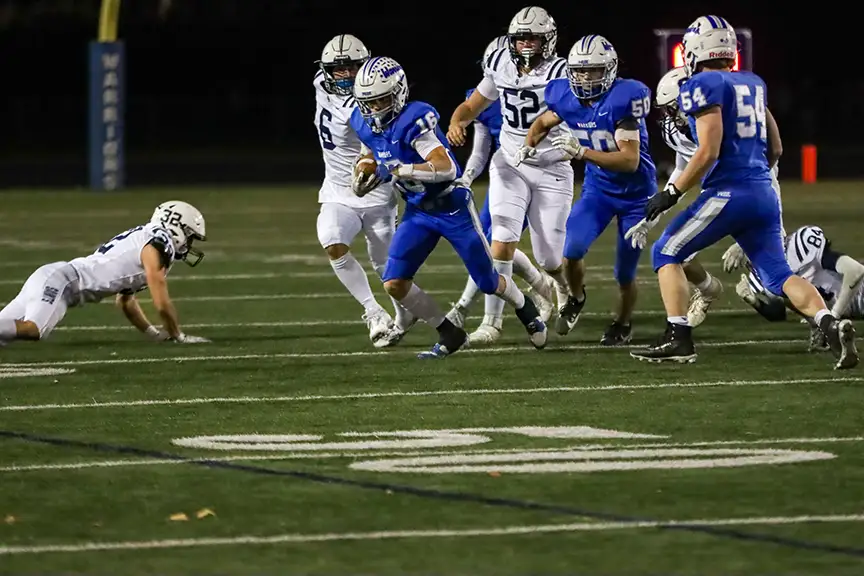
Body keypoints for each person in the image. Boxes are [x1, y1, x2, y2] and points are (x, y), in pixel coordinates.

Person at [627, 16, 857, 369]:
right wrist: (756, 176)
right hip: (763, 191)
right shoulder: (752, 82)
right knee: (778, 276)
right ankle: (829, 323)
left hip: (729, 191)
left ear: (695, 50)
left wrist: (671, 192)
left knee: (666, 251)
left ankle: (678, 339)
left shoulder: (701, 83)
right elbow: (776, 147)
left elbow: (708, 151)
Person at [349, 56, 548, 358]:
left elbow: (446, 168)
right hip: (418, 211)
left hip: (451, 206)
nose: (375, 109)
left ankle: (525, 307)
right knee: (394, 283)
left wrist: (401, 169)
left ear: (398, 93)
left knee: (488, 281)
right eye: (369, 103)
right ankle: (449, 332)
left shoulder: (414, 122)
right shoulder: (363, 121)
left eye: (381, 100)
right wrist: (364, 169)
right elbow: (371, 150)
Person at [0, 201, 210, 345]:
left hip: (56, 276)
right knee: (34, 329)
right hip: (63, 282)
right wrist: (177, 335)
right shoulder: (159, 243)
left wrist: (154, 334)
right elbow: (161, 301)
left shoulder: (146, 237)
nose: (189, 244)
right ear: (178, 228)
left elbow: (126, 302)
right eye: (190, 237)